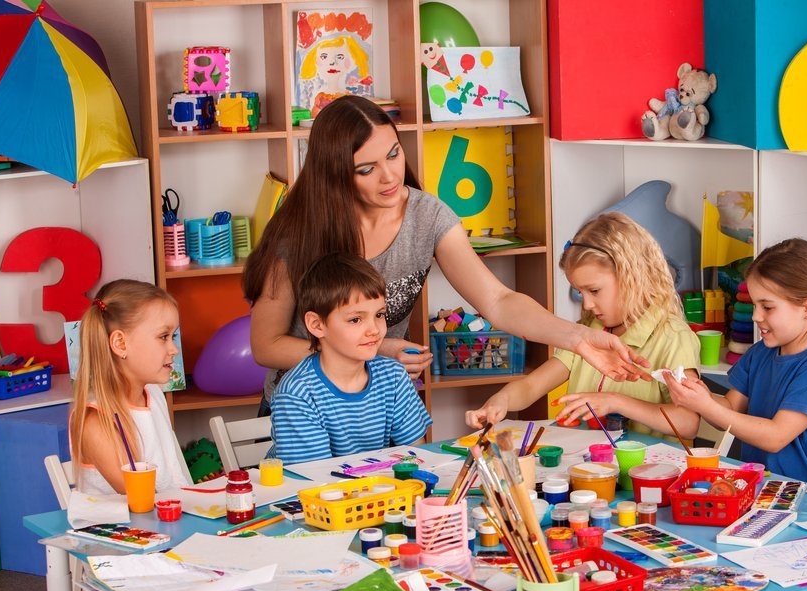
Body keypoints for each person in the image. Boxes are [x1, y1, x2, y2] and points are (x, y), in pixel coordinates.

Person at [243, 95, 648, 416]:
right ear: (334, 174)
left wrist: (578, 338)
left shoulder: (427, 216)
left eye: (393, 154)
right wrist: (380, 349)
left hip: (377, 407)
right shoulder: (299, 232)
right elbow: (266, 345)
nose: (389, 176)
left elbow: (499, 301)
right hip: (303, 411)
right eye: (365, 169)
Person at [466, 212, 701, 439]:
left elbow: (688, 423)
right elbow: (531, 387)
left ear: (633, 276)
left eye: (594, 290)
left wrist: (616, 401)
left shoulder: (672, 337)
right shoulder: (588, 334)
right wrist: (502, 400)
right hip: (587, 470)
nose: (587, 304)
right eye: (580, 292)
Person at [664, 238, 807, 488]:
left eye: (767, 307)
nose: (756, 316)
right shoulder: (762, 352)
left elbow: (775, 437)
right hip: (759, 489)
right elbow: (730, 408)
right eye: (754, 305)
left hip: (802, 496)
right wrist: (698, 395)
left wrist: (707, 406)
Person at [269, 253, 431, 463]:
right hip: (317, 491)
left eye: (379, 315)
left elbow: (418, 457)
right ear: (317, 325)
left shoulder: (393, 376)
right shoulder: (297, 393)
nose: (374, 329)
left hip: (372, 489)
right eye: (355, 319)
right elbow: (314, 481)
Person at [68, 280, 192, 495]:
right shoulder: (95, 420)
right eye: (163, 337)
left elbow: (174, 479)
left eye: (174, 336)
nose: (173, 349)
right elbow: (143, 501)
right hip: (131, 527)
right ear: (120, 344)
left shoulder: (152, 393)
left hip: (173, 520)